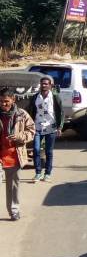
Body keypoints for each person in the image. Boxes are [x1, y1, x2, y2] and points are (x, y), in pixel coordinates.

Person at [0, 88, 35, 221]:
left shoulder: (22, 114)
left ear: (13, 100)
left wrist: (19, 136)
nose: (3, 104)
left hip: (14, 156)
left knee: (13, 187)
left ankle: (14, 211)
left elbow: (32, 131)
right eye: (1, 102)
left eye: (6, 101)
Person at [27, 76, 64, 182]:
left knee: (49, 152)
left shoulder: (55, 97)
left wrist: (60, 127)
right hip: (37, 127)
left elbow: (61, 113)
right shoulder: (35, 97)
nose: (43, 85)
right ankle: (38, 173)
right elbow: (30, 112)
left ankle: (47, 173)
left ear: (50, 85)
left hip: (51, 128)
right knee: (36, 150)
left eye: (46, 84)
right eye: (42, 83)